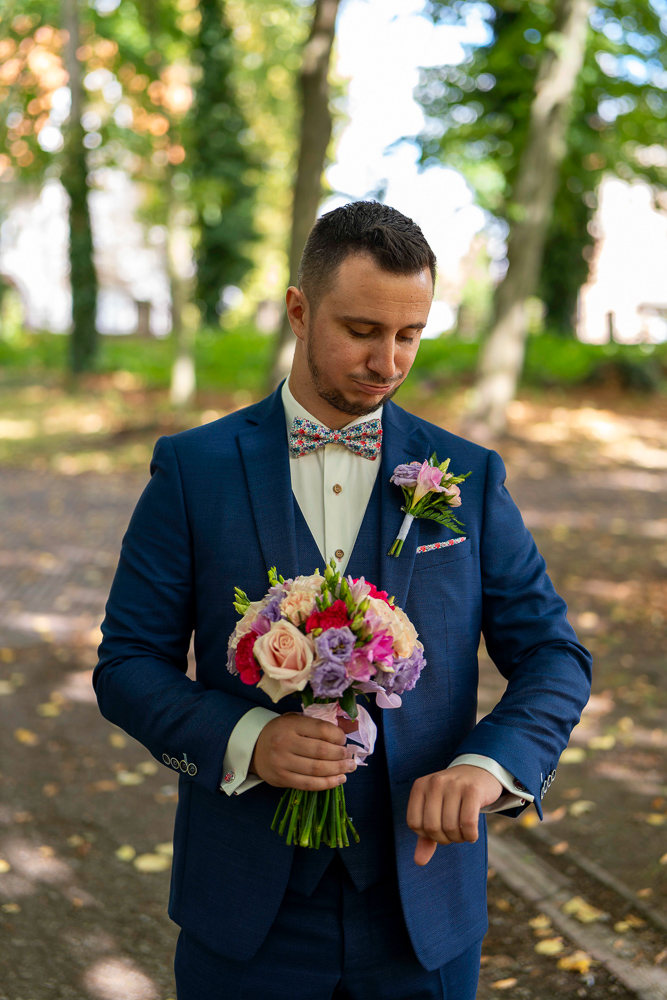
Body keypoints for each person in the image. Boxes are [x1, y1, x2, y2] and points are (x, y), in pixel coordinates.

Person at [93, 201, 592, 999]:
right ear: (298, 309)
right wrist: (246, 737)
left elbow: (553, 655)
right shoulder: (193, 470)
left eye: (409, 335)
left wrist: (487, 765)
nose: (387, 362)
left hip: (421, 911)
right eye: (361, 330)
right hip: (246, 912)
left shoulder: (466, 476)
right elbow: (126, 665)